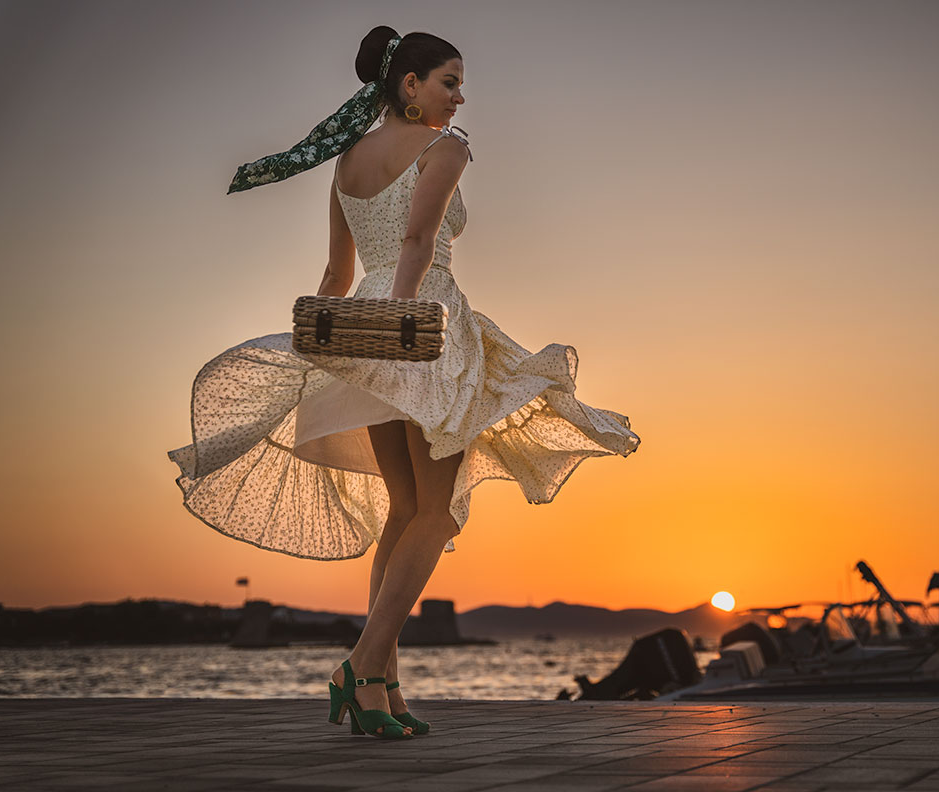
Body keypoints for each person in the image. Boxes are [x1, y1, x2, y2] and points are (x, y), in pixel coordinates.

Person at [166, 27, 641, 739]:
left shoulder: (347, 163)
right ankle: (359, 666)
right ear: (409, 84)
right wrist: (405, 334)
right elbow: (418, 242)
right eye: (448, 81)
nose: (458, 96)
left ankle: (381, 683)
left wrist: (347, 343)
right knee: (439, 510)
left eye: (461, 86)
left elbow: (333, 279)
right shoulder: (445, 147)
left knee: (404, 508)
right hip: (420, 324)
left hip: (368, 320)